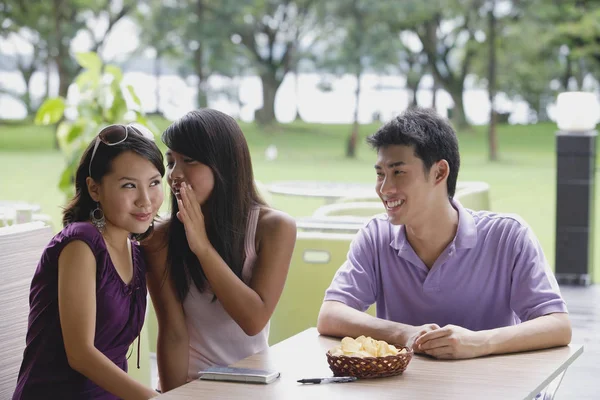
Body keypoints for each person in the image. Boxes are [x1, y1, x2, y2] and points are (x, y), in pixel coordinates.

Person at [317, 107, 571, 360]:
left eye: (398, 172)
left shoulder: (508, 236)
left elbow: (558, 325)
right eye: (380, 174)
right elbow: (331, 315)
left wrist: (479, 342)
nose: (385, 188)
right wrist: (404, 334)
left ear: (439, 172)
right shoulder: (376, 236)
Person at [143, 109, 296, 392]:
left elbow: (253, 320)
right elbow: (173, 334)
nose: (175, 174)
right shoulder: (159, 239)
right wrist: (173, 397)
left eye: (189, 160)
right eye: (171, 162)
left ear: (224, 164)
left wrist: (202, 247)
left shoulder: (274, 228)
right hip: (190, 385)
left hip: (252, 384)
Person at [13, 124, 164, 400]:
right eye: (129, 185)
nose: (146, 200)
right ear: (94, 189)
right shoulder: (81, 244)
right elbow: (81, 355)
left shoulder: (137, 252)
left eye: (154, 183)